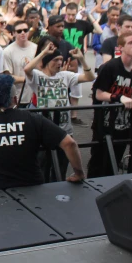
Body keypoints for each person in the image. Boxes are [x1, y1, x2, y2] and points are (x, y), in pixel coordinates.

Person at [0, 74, 85, 194]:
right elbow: (69, 143)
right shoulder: (34, 119)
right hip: (32, 184)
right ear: (15, 100)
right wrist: (79, 173)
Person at [24, 38, 95, 180]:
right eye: (55, 59)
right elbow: (27, 69)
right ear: (46, 61)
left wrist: (82, 59)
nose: (59, 63)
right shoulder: (38, 76)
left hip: (64, 128)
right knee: (42, 166)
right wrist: (44, 52)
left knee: (61, 169)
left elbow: (90, 77)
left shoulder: (65, 76)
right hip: (43, 129)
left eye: (61, 59)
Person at [88, 33, 132, 178]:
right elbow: (98, 94)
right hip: (104, 123)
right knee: (98, 162)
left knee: (115, 160)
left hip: (124, 123)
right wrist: (119, 97)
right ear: (120, 48)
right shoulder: (109, 67)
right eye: (131, 42)